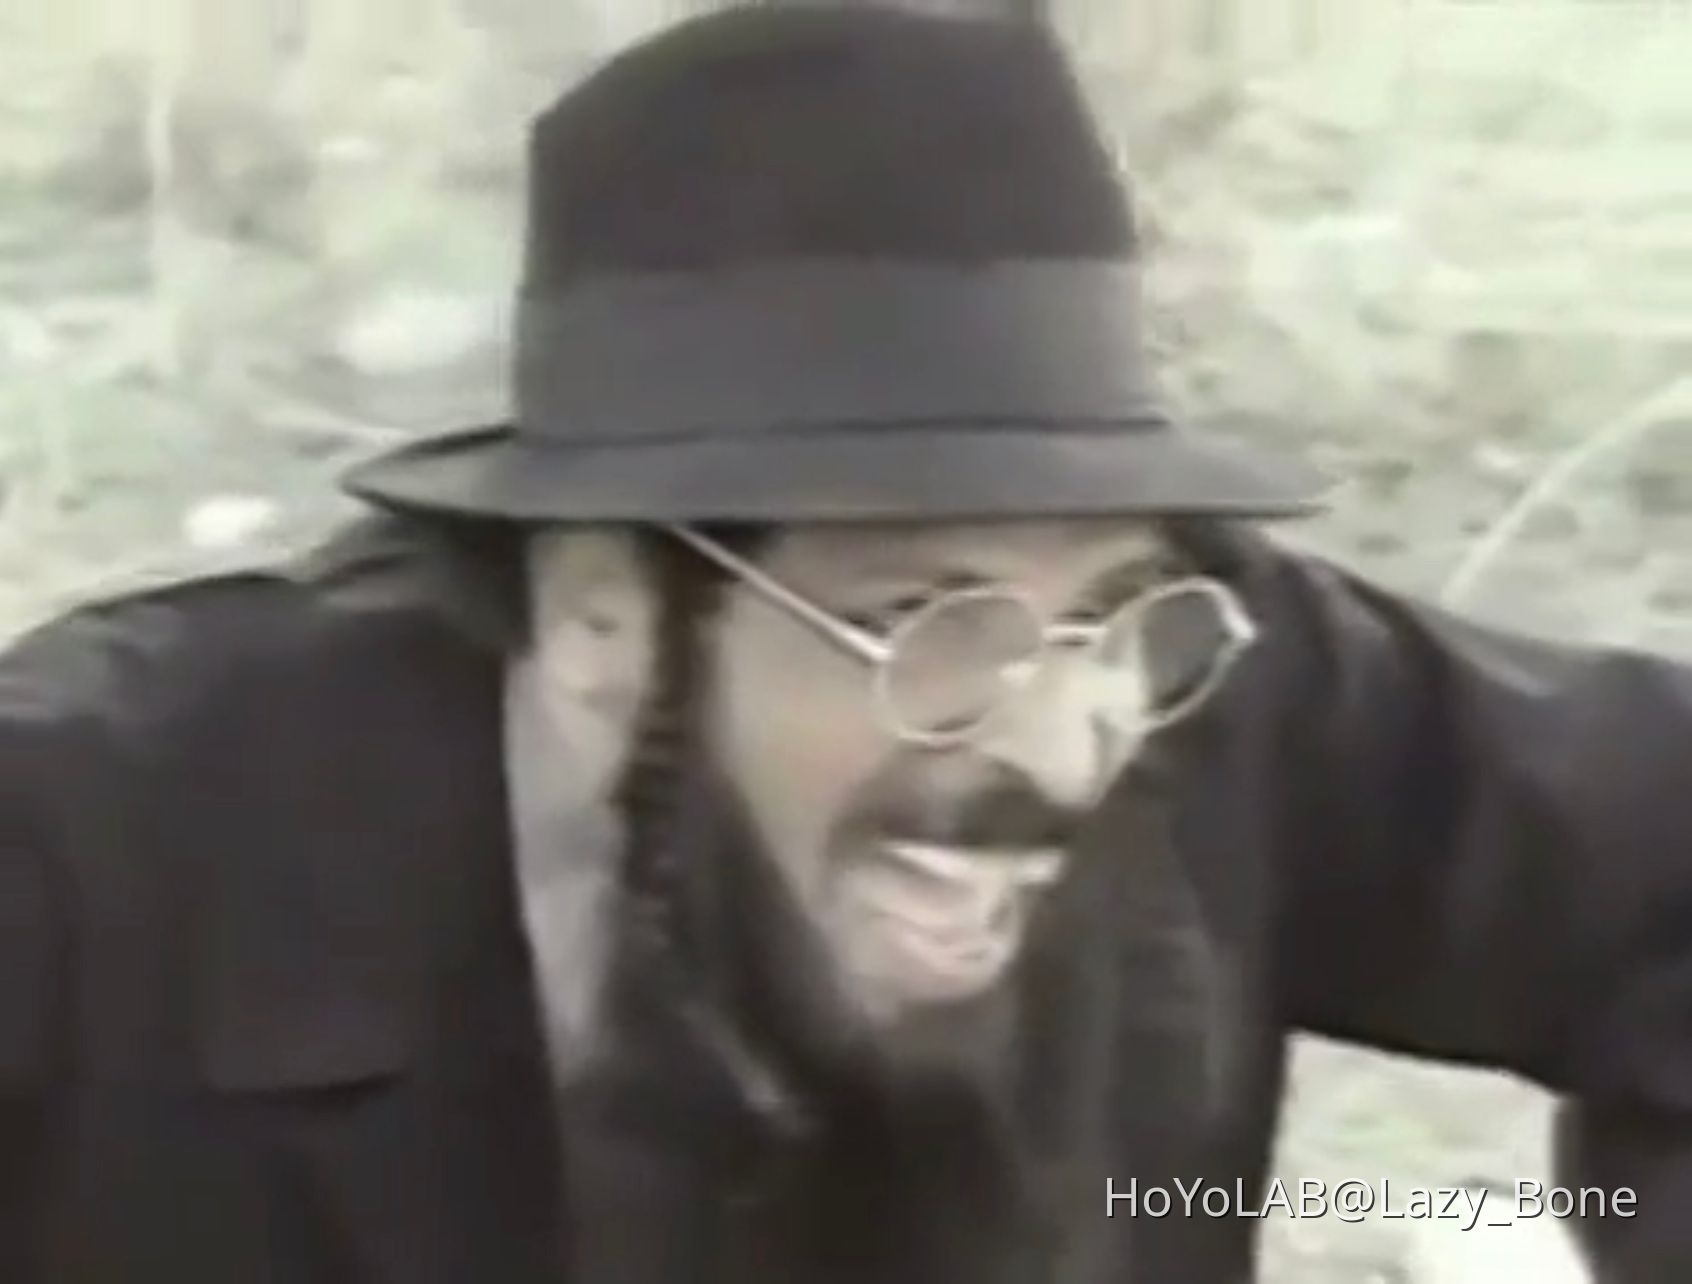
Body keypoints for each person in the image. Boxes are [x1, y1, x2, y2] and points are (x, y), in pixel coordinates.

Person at [1, 7, 1687, 1283]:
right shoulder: (86, 858)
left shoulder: (1202, 680)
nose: (1059, 744)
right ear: (601, 616)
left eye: (1106, 611)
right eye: (924, 619)